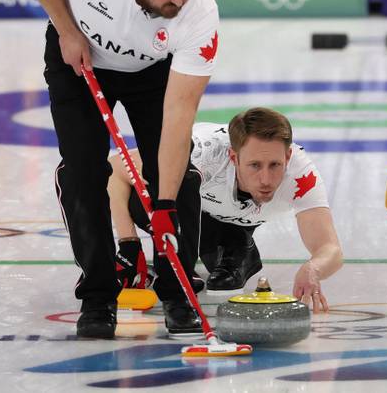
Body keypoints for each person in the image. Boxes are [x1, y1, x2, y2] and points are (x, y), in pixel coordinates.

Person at [19, 0, 219, 339]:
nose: (179, 1)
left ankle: (176, 290)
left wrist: (162, 203)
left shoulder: (199, 14)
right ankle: (98, 295)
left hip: (151, 73)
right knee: (84, 173)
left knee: (177, 179)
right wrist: (66, 29)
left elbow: (180, 117)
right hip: (79, 59)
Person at [107, 107, 343, 313]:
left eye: (275, 165)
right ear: (233, 156)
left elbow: (329, 247)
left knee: (220, 271)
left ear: (288, 156)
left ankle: (238, 244)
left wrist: (313, 269)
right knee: (145, 199)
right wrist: (129, 245)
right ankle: (208, 251)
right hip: (197, 211)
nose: (266, 179)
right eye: (254, 165)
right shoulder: (201, 154)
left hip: (238, 218)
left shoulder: (301, 174)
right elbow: (116, 168)